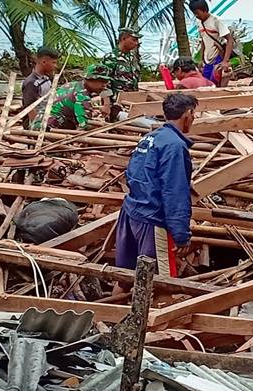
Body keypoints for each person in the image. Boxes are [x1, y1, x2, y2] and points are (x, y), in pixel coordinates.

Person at [114, 93, 198, 294]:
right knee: (161, 284)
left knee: (125, 278)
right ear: (188, 113)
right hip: (152, 221)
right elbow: (174, 192)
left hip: (131, 212)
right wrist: (181, 234)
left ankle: (109, 320)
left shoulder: (150, 138)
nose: (194, 119)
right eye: (195, 114)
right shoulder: (175, 146)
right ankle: (153, 324)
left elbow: (132, 175)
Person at [33, 64, 111, 131]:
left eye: (105, 82)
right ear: (89, 79)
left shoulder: (73, 85)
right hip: (47, 129)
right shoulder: (82, 95)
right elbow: (85, 124)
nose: (104, 85)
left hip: (38, 123)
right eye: (101, 81)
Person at [101, 27, 142, 120]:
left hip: (131, 103)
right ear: (124, 38)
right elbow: (103, 83)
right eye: (134, 40)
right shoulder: (111, 58)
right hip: (115, 105)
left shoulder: (133, 58)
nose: (136, 43)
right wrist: (106, 104)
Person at [189, 0, 233, 85]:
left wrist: (225, 61)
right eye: (194, 13)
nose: (196, 15)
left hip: (217, 58)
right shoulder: (199, 23)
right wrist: (201, 59)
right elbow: (203, 41)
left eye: (197, 13)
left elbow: (230, 39)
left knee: (216, 84)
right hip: (207, 60)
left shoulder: (216, 21)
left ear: (204, 10)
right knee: (206, 84)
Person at [22, 47, 59, 129]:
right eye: (53, 62)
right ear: (43, 62)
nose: (55, 66)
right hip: (36, 122)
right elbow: (30, 108)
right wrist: (37, 126)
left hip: (47, 116)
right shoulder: (31, 83)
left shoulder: (46, 78)